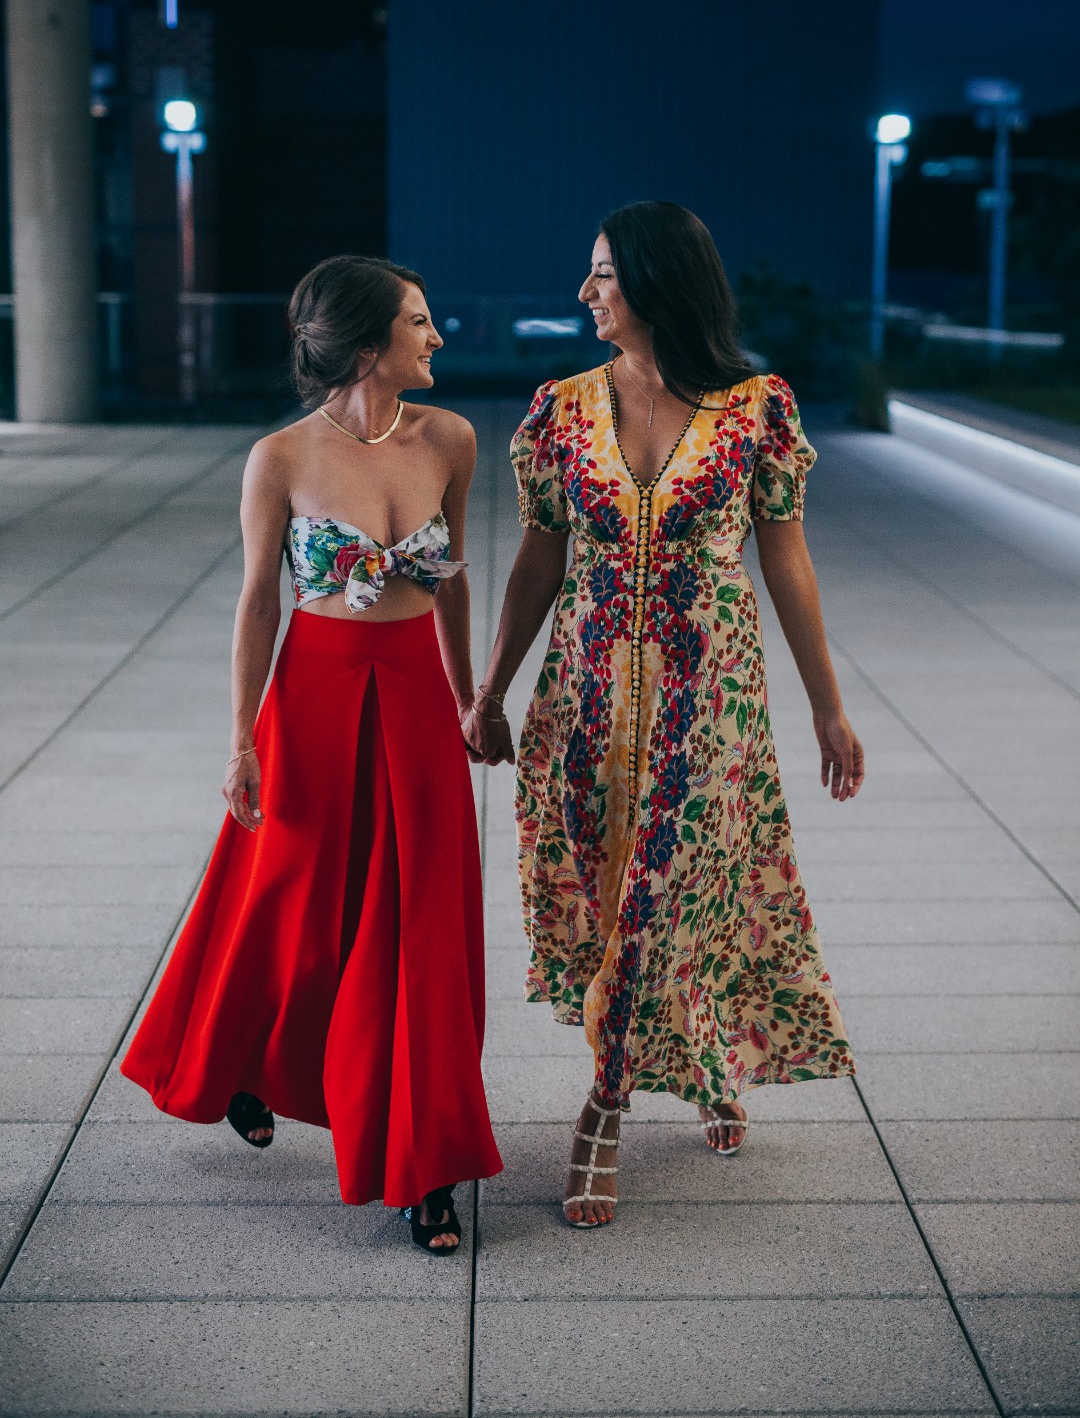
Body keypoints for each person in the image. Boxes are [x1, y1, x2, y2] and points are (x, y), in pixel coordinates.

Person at [464, 202, 863, 1228]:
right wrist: (491, 688)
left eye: (603, 273)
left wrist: (828, 709)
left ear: (655, 279)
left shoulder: (756, 407)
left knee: (673, 888)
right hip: (587, 691)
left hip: (710, 699)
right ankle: (703, 1065)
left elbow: (788, 561)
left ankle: (603, 1108)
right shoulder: (561, 408)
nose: (587, 292)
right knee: (608, 893)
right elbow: (540, 560)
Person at [122, 255, 502, 1253]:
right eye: (420, 323)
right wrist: (242, 736)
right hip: (315, 694)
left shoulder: (453, 440)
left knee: (421, 923)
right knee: (286, 899)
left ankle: (428, 1168)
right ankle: (243, 1061)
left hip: (418, 693)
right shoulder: (281, 458)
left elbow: (454, 582)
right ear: (371, 342)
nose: (438, 338)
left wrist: (474, 697)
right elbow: (257, 601)